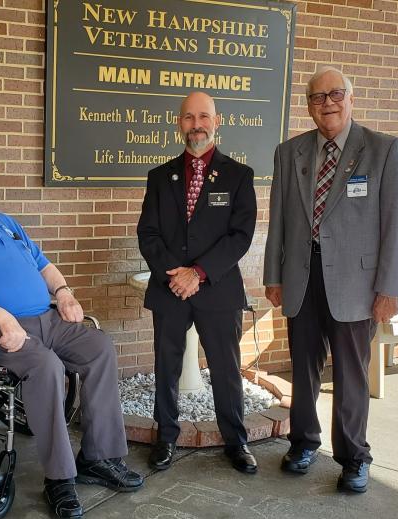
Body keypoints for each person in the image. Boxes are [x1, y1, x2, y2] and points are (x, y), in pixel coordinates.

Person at [0, 152, 143, 519]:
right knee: (47, 367)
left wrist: (64, 292)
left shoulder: (7, 223)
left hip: (46, 320)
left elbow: (45, 266)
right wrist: (3, 318)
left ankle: (97, 458)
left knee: (100, 347)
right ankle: (60, 479)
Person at [263, 66, 398, 493]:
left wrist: (390, 289)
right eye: (317, 97)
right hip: (301, 278)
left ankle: (353, 457)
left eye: (336, 94)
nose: (327, 102)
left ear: (351, 97)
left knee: (350, 374)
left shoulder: (384, 150)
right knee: (304, 369)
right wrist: (273, 275)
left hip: (357, 285)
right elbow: (279, 221)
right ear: (308, 105)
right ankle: (304, 443)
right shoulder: (289, 152)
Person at [137, 91, 258, 475]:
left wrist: (199, 273)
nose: (196, 125)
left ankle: (235, 440)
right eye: (189, 118)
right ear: (179, 124)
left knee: (225, 367)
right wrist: (177, 274)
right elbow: (148, 233)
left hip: (217, 289)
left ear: (217, 122)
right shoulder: (159, 177)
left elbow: (241, 235)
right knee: (166, 366)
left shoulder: (239, 176)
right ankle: (166, 437)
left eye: (204, 116)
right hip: (170, 288)